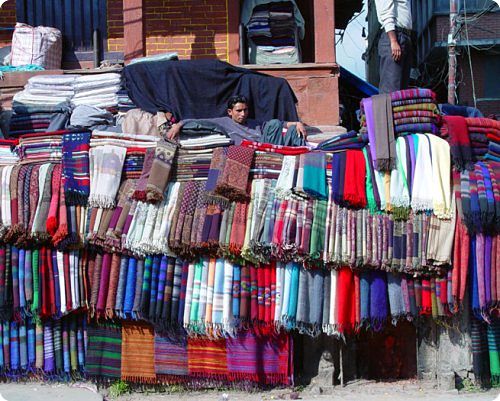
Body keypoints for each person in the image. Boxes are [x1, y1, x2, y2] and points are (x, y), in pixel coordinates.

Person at [166, 95, 307, 145]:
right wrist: (178, 125)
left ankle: (302, 153)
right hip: (255, 150)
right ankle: (283, 153)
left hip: (267, 144)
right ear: (230, 112)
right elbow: (200, 121)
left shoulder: (254, 123)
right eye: (239, 111)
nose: (243, 114)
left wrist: (297, 123)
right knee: (275, 124)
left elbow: (281, 124)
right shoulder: (223, 122)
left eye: (245, 110)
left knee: (282, 126)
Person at [374, 0, 413, 93]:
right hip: (394, 36)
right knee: (391, 91)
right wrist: (393, 40)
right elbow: (386, 13)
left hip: (404, 36)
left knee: (402, 93)